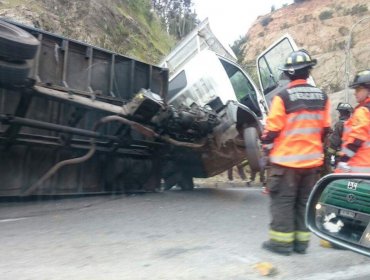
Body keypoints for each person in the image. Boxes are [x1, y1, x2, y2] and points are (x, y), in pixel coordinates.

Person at [260, 50, 331, 255]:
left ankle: (281, 243)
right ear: (308, 72)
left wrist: (264, 142)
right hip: (311, 165)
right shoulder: (323, 97)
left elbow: (272, 130)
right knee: (304, 203)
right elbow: (326, 129)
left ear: (289, 74)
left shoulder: (282, 98)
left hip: (286, 164)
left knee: (283, 202)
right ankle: (301, 244)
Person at [335, 69, 370, 173]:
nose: (355, 93)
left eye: (358, 89)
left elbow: (357, 138)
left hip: (356, 168)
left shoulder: (363, 111)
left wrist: (344, 160)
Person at [323, 102, 353, 173]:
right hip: (351, 157)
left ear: (341, 113)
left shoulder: (339, 125)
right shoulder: (354, 124)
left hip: (340, 158)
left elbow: (334, 143)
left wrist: (329, 155)